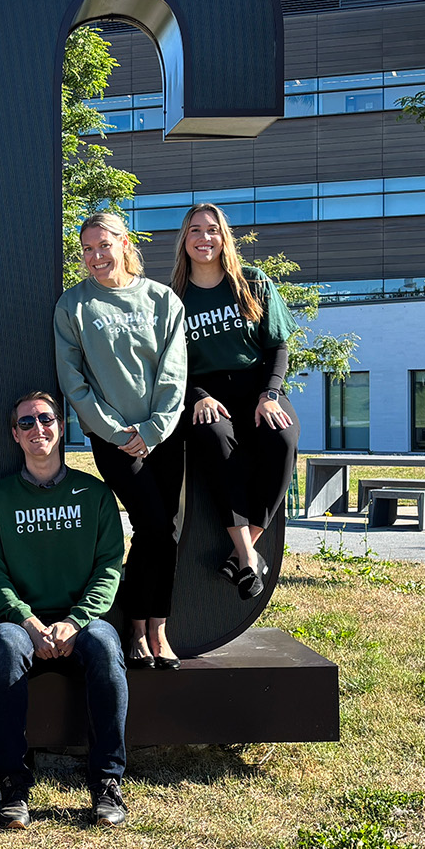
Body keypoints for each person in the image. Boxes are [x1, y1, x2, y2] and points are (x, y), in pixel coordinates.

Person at [0, 391, 129, 829]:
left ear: (61, 427)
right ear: (14, 435)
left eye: (46, 419)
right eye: (26, 423)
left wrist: (75, 621)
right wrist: (28, 621)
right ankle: (13, 783)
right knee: (5, 652)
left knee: (106, 651)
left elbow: (108, 569)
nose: (37, 429)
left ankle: (106, 782)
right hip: (18, 621)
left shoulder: (95, 495)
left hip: (83, 619)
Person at [53, 212, 188, 671]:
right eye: (87, 250)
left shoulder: (162, 300)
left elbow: (174, 372)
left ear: (123, 243)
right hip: (113, 441)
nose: (95, 257)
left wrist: (153, 430)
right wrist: (118, 433)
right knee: (152, 524)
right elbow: (74, 383)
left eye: (103, 246)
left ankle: (157, 629)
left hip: (164, 436)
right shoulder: (73, 306)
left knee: (165, 531)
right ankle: (136, 625)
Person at [170, 204, 300, 599]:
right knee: (214, 437)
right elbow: (170, 366)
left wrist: (271, 395)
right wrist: (199, 397)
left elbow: (278, 345)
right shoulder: (174, 298)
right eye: (195, 230)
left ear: (224, 236)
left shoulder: (253, 283)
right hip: (204, 393)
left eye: (212, 230)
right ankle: (247, 558)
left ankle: (240, 555)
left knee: (283, 440)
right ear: (184, 240)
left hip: (259, 389)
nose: (204, 238)